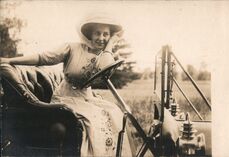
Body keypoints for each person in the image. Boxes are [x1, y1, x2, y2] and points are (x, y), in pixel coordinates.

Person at [0, 15, 179, 156]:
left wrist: (110, 45)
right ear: (89, 34)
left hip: (87, 97)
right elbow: (43, 57)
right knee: (94, 120)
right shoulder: (71, 48)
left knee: (118, 113)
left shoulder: (104, 55)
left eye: (106, 34)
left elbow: (106, 70)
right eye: (98, 33)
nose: (101, 38)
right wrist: (10, 60)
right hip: (67, 97)